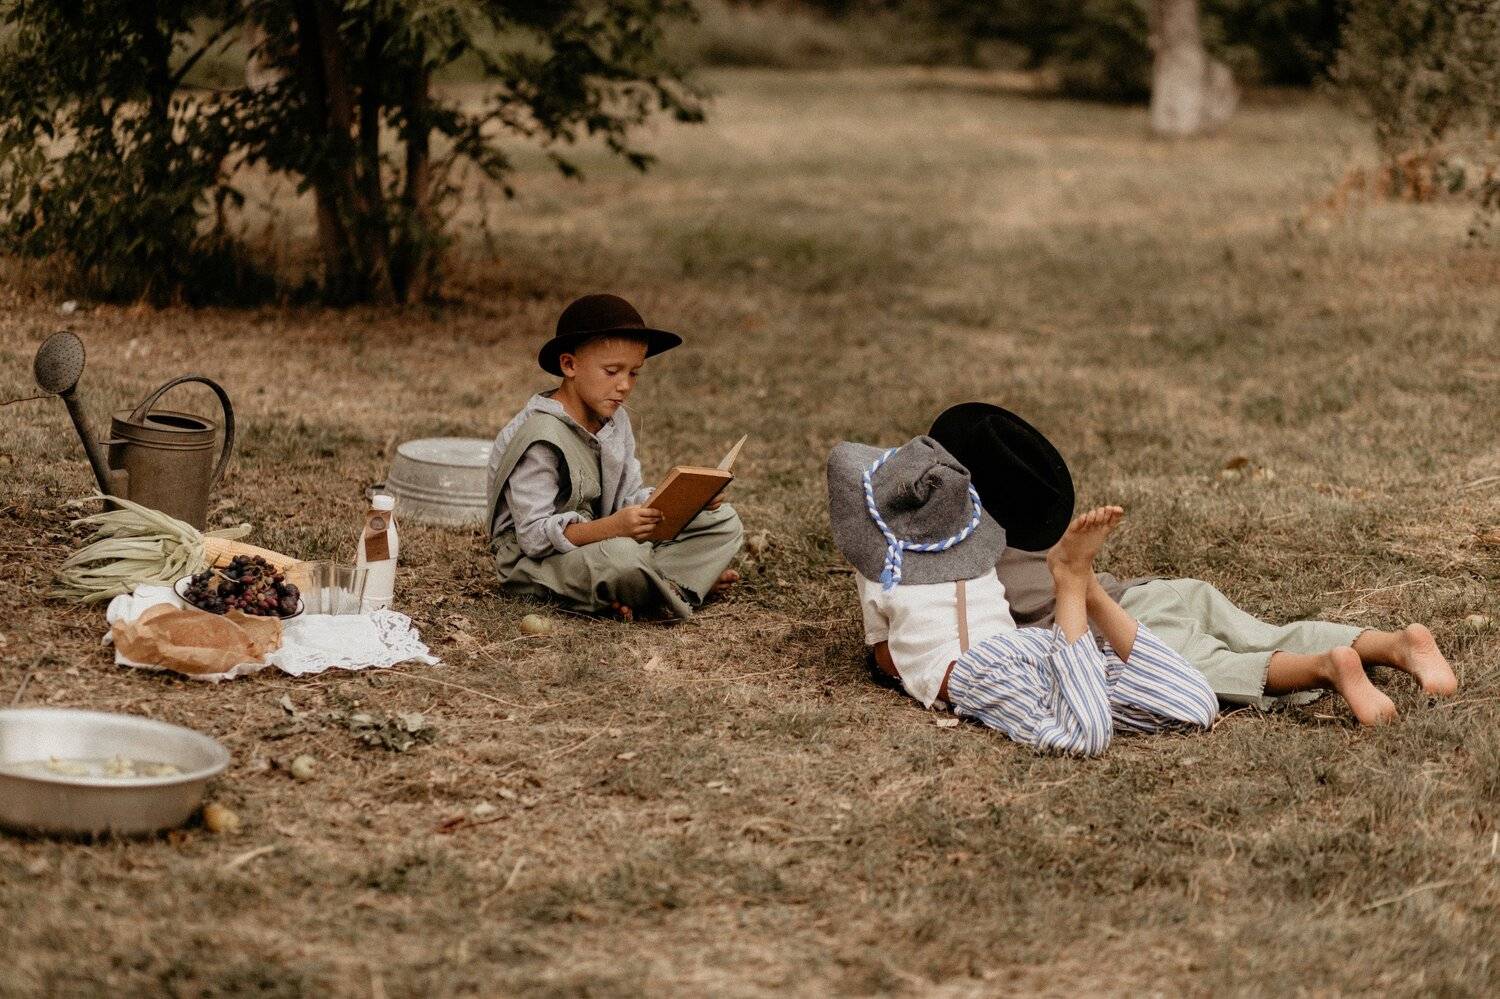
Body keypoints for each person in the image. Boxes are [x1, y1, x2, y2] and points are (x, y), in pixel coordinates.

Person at [928, 402, 1458, 725]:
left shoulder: (970, 568)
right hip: (1164, 591)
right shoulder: (1034, 538)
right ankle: (1393, 644)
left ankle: (1327, 667)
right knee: (1265, 631)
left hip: (1127, 623)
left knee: (1214, 665)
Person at [827, 435, 1217, 757]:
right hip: (1010, 656)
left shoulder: (885, 567)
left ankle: (1080, 585)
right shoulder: (969, 548)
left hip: (998, 660)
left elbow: (885, 656)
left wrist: (910, 675)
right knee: (1187, 705)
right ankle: (1082, 586)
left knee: (1114, 724)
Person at [485, 294, 742, 620]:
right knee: (622, 557)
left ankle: (649, 586)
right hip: (538, 561)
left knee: (723, 522)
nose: (624, 386)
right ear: (569, 365)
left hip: (605, 539)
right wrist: (614, 528)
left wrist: (688, 500)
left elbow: (626, 500)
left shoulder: (614, 419)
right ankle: (676, 585)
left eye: (634, 373)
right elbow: (534, 539)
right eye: (611, 371)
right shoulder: (540, 436)